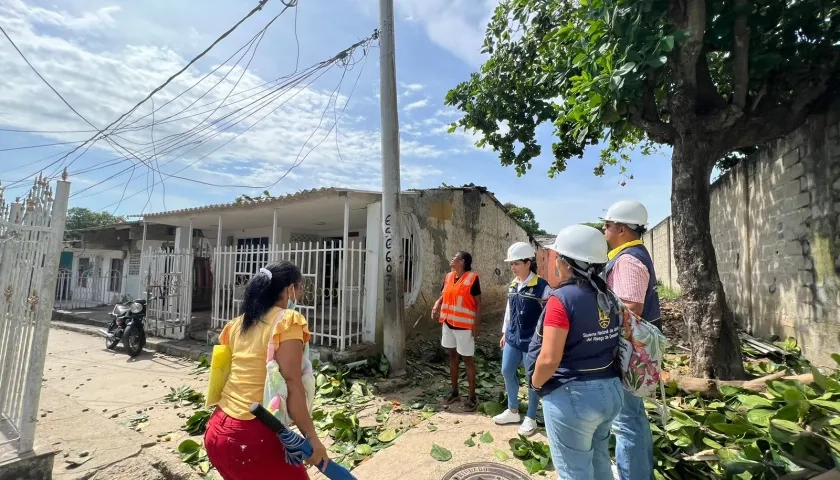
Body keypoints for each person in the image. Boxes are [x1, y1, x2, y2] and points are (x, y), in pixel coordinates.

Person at [204, 261, 327, 480]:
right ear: (290, 290)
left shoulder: (237, 324)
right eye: (299, 290)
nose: (298, 296)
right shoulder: (288, 321)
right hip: (252, 437)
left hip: (217, 432)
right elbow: (292, 382)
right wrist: (313, 439)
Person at [526, 225, 623, 480]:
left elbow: (548, 359)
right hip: (610, 391)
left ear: (566, 262)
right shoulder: (608, 296)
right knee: (601, 462)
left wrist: (536, 384)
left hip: (574, 396)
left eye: (557, 257)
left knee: (574, 473)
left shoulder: (562, 299)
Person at [601, 200, 661, 480]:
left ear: (622, 229)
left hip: (629, 352)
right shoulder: (632, 254)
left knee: (627, 420)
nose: (604, 230)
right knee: (631, 417)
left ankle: (633, 475)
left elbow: (630, 309)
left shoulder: (627, 260)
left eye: (608, 225)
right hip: (634, 350)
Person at [494, 242, 550, 436]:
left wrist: (545, 341)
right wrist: (504, 332)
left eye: (516, 263)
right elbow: (509, 311)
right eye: (511, 264)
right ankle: (513, 410)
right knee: (507, 370)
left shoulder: (542, 287)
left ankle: (531, 417)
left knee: (532, 378)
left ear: (528, 263)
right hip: (513, 338)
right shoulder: (513, 285)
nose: (513, 267)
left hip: (532, 341)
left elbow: (549, 316)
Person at [431, 251, 482, 412]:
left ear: (462, 261)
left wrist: (476, 324)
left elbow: (479, 303)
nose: (452, 259)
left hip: (464, 326)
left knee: (467, 360)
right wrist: (437, 304)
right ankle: (455, 392)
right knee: (452, 356)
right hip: (448, 323)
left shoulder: (473, 278)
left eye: (455, 257)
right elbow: (444, 294)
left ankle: (472, 397)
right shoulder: (448, 277)